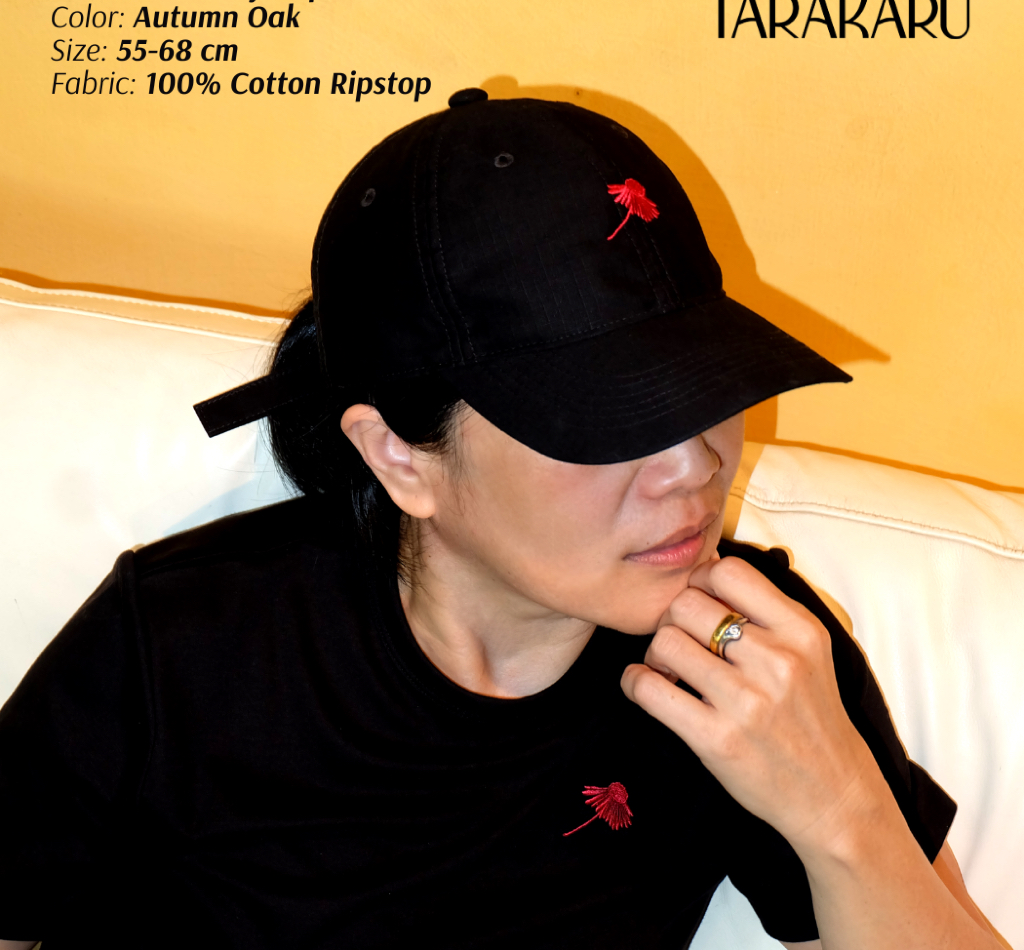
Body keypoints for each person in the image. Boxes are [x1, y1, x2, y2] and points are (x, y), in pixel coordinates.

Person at [0, 89, 1001, 950]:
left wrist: (842, 812)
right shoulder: (188, 642)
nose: (695, 466)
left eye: (705, 389)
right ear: (400, 456)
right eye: (608, 423)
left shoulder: (751, 658)